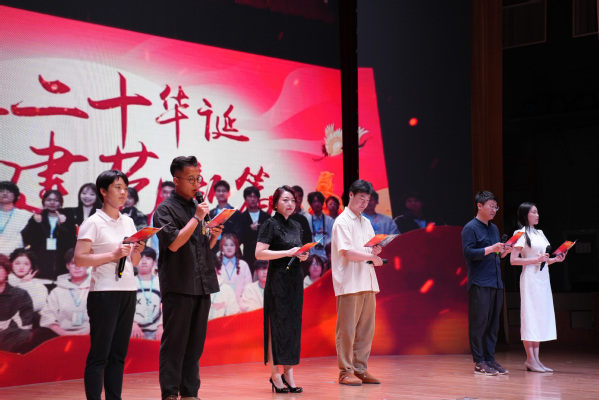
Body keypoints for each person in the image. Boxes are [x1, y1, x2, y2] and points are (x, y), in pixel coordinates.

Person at [153, 156, 222, 400]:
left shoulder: (197, 207)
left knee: (195, 344)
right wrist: (196, 218)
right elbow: (173, 244)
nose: (196, 184)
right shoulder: (164, 210)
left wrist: (214, 235)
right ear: (176, 180)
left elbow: (202, 247)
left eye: (198, 178)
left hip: (202, 283)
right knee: (175, 343)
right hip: (179, 284)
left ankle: (190, 392)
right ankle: (170, 393)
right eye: (190, 179)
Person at [74, 170, 144, 400]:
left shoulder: (129, 221)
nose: (123, 193)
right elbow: (80, 259)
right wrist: (112, 255)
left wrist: (138, 251)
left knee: (118, 355)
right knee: (99, 355)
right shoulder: (93, 222)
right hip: (104, 293)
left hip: (128, 291)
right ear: (103, 191)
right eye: (117, 187)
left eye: (125, 188)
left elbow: (133, 262)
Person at [256, 185, 309, 394]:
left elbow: (297, 251)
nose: (290, 204)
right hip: (277, 280)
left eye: (293, 200)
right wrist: (287, 252)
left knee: (292, 326)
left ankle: (289, 373)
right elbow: (259, 253)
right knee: (275, 326)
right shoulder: (269, 224)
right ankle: (275, 374)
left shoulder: (297, 225)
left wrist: (302, 255)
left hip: (295, 280)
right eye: (285, 200)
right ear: (275, 203)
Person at [331, 179, 383, 386]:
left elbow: (368, 248)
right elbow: (346, 252)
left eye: (367, 199)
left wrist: (375, 250)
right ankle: (345, 371)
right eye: (361, 198)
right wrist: (372, 257)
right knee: (347, 330)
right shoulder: (342, 221)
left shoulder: (366, 222)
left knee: (366, 330)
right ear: (350, 195)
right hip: (349, 282)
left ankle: (360, 369)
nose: (364, 203)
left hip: (367, 280)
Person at [509, 202, 565, 373]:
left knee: (540, 316)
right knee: (530, 316)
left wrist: (555, 260)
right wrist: (535, 260)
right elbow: (513, 260)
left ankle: (536, 360)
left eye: (537, 212)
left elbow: (543, 259)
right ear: (525, 215)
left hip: (542, 278)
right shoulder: (520, 233)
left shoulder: (539, 233)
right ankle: (530, 359)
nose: (537, 215)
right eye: (534, 212)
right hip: (530, 278)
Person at [461, 190, 512, 376]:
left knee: (493, 324)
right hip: (480, 282)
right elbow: (469, 253)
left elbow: (495, 254)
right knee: (479, 323)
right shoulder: (470, 228)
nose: (494, 210)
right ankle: (479, 362)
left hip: (495, 282)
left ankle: (490, 359)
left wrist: (503, 252)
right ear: (479, 206)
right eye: (491, 206)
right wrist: (491, 248)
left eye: (496, 207)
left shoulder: (494, 228)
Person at [38, 248, 91, 337]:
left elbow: (105, 316)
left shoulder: (98, 288)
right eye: (73, 263)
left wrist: (86, 333)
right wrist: (65, 334)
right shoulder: (57, 292)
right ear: (67, 266)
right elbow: (48, 316)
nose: (77, 267)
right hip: (63, 336)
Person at [21, 189, 71, 281]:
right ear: (43, 202)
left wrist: (62, 225)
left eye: (56, 200)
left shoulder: (67, 218)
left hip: (61, 264)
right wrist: (34, 223)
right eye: (48, 200)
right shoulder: (37, 217)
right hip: (40, 262)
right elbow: (26, 239)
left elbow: (70, 243)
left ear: (60, 203)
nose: (52, 203)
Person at [0, 254, 34, 352]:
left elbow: (24, 325)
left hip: (10, 343)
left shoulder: (20, 295)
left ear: (7, 271)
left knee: (25, 335)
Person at [131, 247, 163, 341]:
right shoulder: (130, 282)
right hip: (133, 331)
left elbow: (166, 306)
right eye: (141, 258)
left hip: (157, 332)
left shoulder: (161, 283)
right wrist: (132, 324)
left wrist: (161, 326)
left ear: (154, 262)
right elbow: (125, 306)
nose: (144, 262)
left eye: (148, 258)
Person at [239, 186, 270, 274]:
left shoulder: (266, 216)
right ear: (245, 199)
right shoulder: (242, 217)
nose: (252, 199)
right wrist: (249, 229)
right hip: (248, 255)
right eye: (250, 196)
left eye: (255, 196)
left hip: (263, 255)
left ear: (258, 198)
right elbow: (239, 239)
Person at [8, 248, 49, 314]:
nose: (21, 267)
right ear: (11, 264)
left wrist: (26, 284)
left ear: (31, 266)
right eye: (17, 263)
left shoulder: (39, 286)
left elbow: (36, 306)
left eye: (26, 264)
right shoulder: (4, 283)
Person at [217, 233, 252, 304]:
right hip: (220, 305)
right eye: (226, 245)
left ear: (236, 247)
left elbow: (248, 288)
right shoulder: (217, 265)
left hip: (241, 305)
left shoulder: (243, 265)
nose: (229, 248)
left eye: (232, 245)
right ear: (221, 247)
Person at [0, 181, 32, 257]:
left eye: (9, 191)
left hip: (14, 257)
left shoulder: (25, 215)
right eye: (1, 191)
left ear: (15, 196)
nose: (5, 193)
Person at [208, 180, 242, 249]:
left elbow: (240, 235)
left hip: (231, 250)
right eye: (218, 191)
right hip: (213, 250)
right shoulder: (210, 214)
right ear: (215, 193)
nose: (221, 193)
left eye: (224, 191)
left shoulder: (236, 213)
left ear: (228, 193)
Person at [305, 191, 334, 261]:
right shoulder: (307, 220)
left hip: (325, 256)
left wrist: (327, 243)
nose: (317, 204)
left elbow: (333, 237)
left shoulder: (329, 220)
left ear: (322, 203)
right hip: (311, 257)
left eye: (319, 201)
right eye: (314, 202)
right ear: (311, 204)